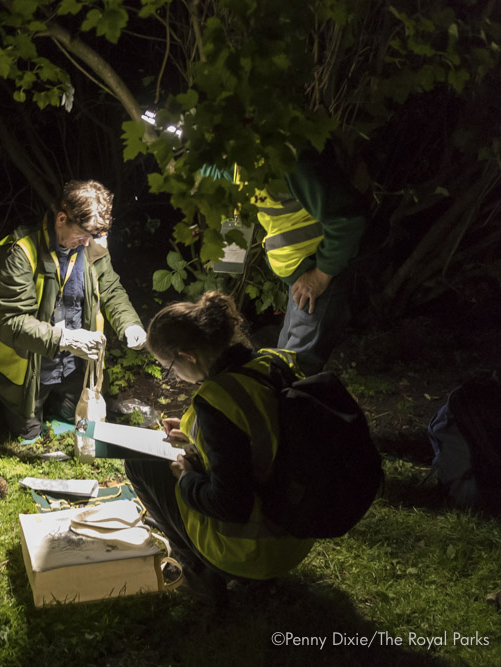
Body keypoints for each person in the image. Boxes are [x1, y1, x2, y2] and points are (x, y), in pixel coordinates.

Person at [125, 291, 315, 606]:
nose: (173, 376)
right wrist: (193, 436)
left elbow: (230, 505)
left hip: (249, 551)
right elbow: (259, 443)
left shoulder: (216, 403)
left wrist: (187, 478)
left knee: (138, 461)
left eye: (169, 367)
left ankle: (200, 572)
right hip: (296, 536)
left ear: (187, 356)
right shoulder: (272, 363)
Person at [0, 179, 147, 440]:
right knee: (28, 435)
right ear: (61, 219)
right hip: (31, 368)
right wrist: (66, 339)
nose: (88, 244)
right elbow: (12, 322)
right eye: (83, 235)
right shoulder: (20, 252)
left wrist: (129, 324)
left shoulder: (91, 247)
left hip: (73, 366)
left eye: (94, 237)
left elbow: (111, 290)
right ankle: (29, 410)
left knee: (78, 423)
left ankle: (61, 401)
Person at [204, 147, 366, 375]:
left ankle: (290, 408)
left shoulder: (287, 162)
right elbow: (213, 173)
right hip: (301, 274)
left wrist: (321, 275)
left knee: (298, 368)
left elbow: (347, 220)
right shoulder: (240, 161)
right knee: (285, 356)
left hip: (317, 274)